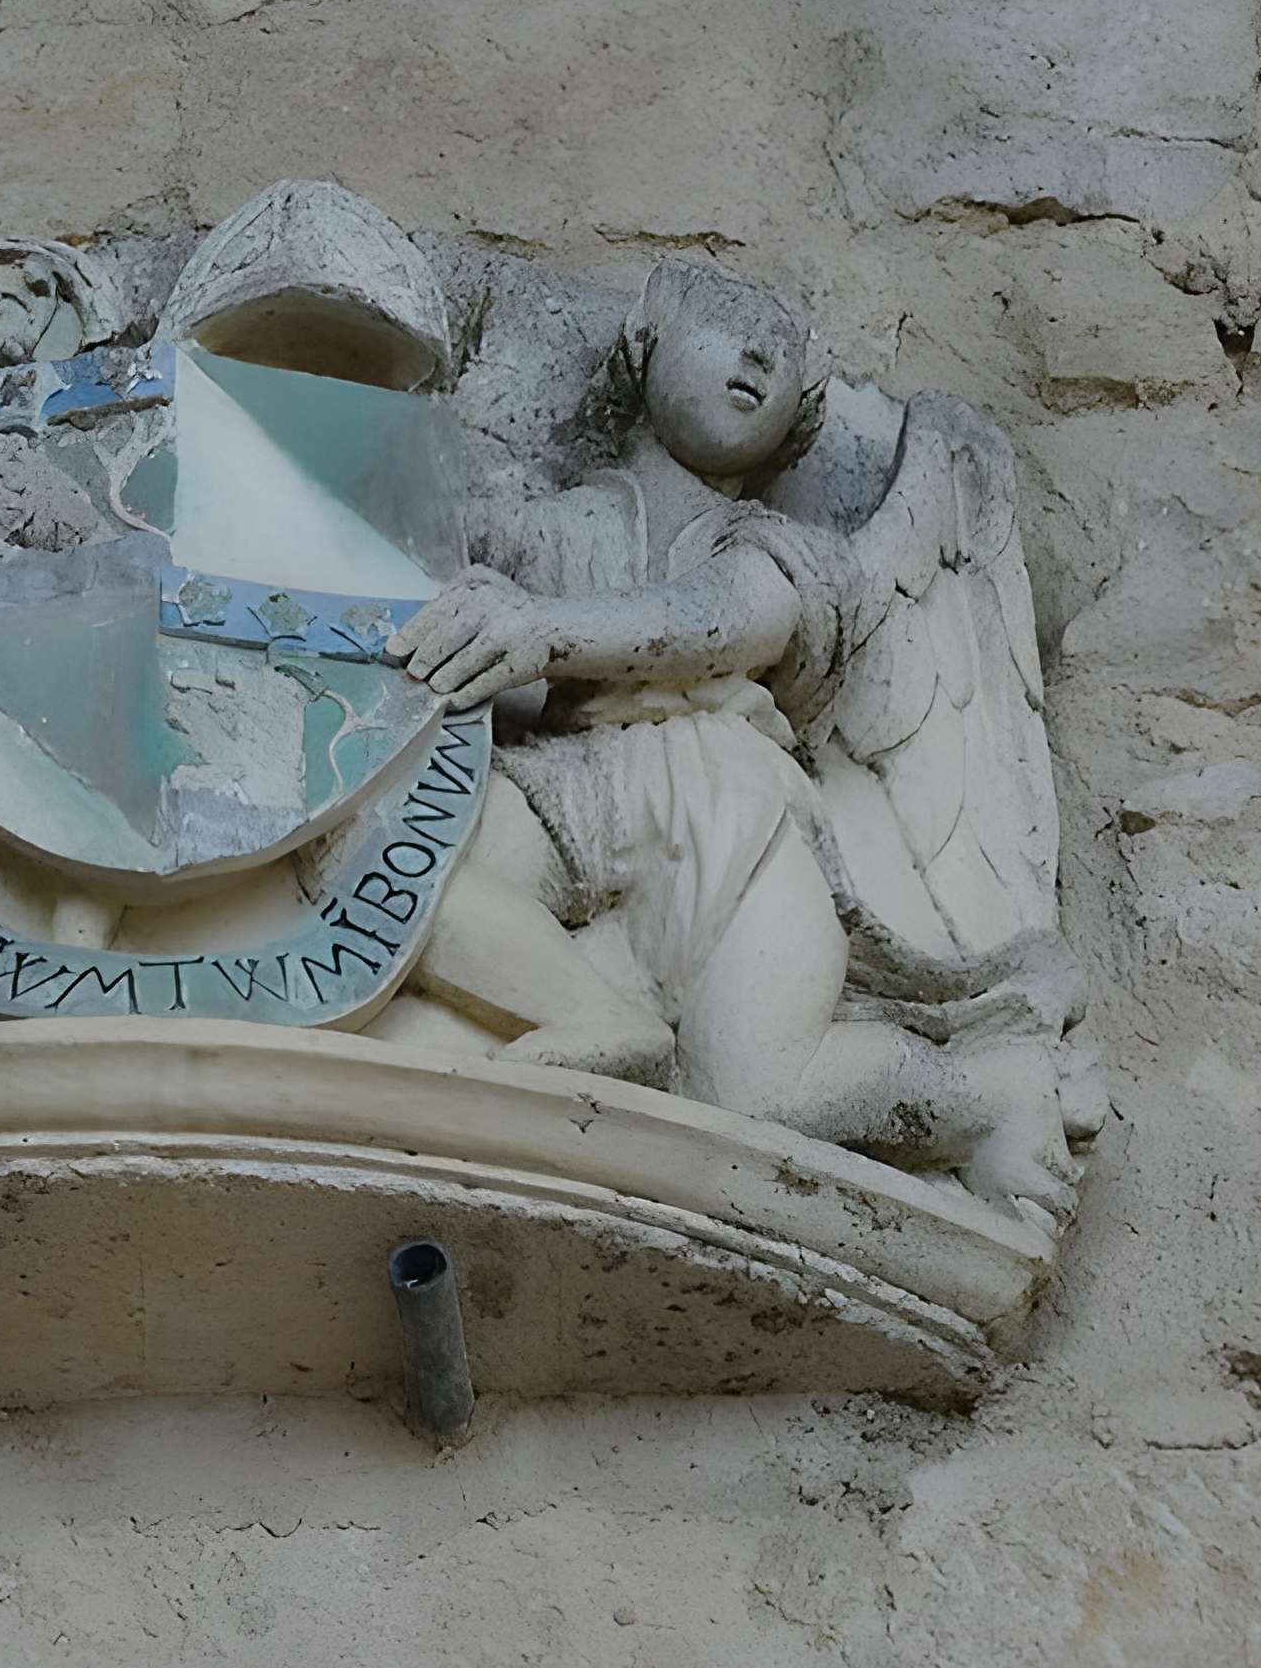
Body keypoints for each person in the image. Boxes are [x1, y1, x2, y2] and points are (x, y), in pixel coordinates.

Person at [393, 260, 1089, 1217]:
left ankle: (984, 1097)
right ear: (642, 344)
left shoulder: (774, 550)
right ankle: (597, 1016)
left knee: (761, 1087)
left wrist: (537, 632)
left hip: (725, 802)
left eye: (787, 352)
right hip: (560, 784)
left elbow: (728, 619)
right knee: (410, 886)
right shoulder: (528, 525)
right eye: (726, 321)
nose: (761, 353)